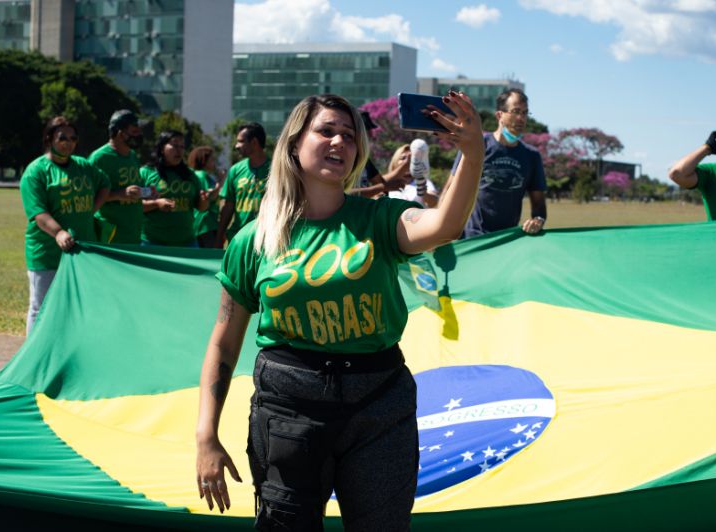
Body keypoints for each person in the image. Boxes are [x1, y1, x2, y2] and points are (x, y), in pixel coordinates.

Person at [195, 91, 483, 531]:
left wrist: (472, 151)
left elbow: (445, 224)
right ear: (294, 144)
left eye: (349, 136)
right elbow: (224, 341)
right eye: (326, 131)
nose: (339, 142)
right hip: (287, 411)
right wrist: (206, 436)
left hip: (379, 406)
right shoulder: (253, 239)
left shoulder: (383, 219)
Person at [19, 116, 110, 334]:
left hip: (82, 252)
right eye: (62, 138)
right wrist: (58, 232)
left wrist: (91, 209)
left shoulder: (84, 166)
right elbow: (38, 213)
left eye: (73, 138)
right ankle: (35, 358)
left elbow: (104, 184)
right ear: (49, 139)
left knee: (78, 306)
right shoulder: (36, 171)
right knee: (41, 308)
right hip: (47, 252)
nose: (68, 142)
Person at [451, 88, 547, 237]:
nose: (521, 118)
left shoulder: (532, 156)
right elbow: (450, 190)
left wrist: (538, 221)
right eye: (515, 111)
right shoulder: (477, 145)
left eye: (525, 112)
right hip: (471, 239)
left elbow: (539, 207)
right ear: (499, 115)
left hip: (506, 241)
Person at [89, 109, 151, 244]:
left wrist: (147, 192)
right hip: (111, 236)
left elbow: (134, 189)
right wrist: (119, 194)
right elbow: (88, 197)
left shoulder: (133, 156)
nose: (140, 135)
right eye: (135, 131)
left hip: (133, 234)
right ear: (120, 133)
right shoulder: (99, 158)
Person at [140, 131, 209, 246]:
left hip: (187, 243)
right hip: (153, 243)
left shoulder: (190, 175)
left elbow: (201, 208)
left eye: (182, 146)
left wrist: (204, 200)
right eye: (175, 145)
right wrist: (156, 204)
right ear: (162, 148)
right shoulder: (146, 172)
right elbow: (134, 206)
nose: (179, 150)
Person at [216, 123, 270, 248]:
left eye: (241, 141)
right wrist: (219, 236)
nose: (236, 146)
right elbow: (228, 206)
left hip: (266, 239)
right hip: (238, 238)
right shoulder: (235, 170)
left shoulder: (277, 170)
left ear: (254, 142)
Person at [349, 111, 409, 198]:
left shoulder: (364, 160)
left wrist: (381, 190)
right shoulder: (343, 159)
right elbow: (342, 195)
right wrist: (382, 188)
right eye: (367, 130)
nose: (371, 135)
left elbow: (380, 182)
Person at [188, 146, 223, 248]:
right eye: (212, 159)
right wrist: (221, 180)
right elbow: (209, 196)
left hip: (209, 223)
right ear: (203, 160)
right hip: (205, 224)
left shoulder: (205, 176)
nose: (214, 162)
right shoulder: (201, 175)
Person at [386, 142, 439, 207]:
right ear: (395, 162)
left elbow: (434, 202)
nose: (408, 162)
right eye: (403, 158)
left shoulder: (424, 182)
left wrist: (424, 193)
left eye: (411, 159)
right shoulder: (386, 183)